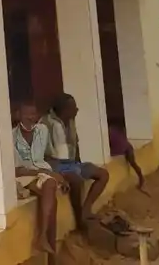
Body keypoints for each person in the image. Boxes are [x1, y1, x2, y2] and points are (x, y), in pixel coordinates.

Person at [44, 93, 110, 228]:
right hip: (53, 164)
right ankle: (80, 219)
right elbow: (43, 154)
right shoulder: (47, 125)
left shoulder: (70, 122)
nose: (77, 110)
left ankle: (86, 210)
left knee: (103, 174)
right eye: (73, 107)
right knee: (76, 179)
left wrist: (79, 165)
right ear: (64, 109)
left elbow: (75, 146)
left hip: (70, 163)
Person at [13, 100, 66, 259]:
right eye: (26, 114)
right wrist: (45, 171)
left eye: (33, 113)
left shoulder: (43, 130)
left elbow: (49, 155)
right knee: (51, 193)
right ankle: (48, 247)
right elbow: (17, 170)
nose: (31, 117)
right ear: (18, 115)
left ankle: (43, 239)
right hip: (22, 175)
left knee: (50, 187)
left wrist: (58, 172)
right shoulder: (11, 137)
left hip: (41, 173)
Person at [108, 119, 145, 190]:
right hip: (128, 147)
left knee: (133, 163)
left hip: (122, 149)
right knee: (133, 163)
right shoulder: (115, 130)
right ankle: (141, 178)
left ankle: (141, 178)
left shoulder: (109, 132)